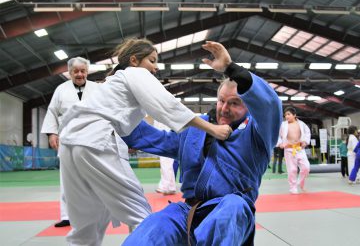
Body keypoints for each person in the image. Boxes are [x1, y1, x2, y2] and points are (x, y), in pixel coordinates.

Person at [57, 38, 232, 246]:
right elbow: (167, 105)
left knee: (87, 222)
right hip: (97, 140)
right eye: (151, 60)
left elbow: (142, 132)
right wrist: (212, 128)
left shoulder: (112, 85)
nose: (155, 67)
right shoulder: (135, 72)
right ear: (134, 60)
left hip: (69, 144)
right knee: (141, 215)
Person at [122, 41, 282, 245]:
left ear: (249, 106)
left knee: (231, 208)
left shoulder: (257, 135)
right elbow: (152, 139)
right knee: (153, 228)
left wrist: (230, 68)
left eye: (234, 103)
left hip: (230, 209)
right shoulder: (194, 130)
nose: (224, 108)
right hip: (187, 211)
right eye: (221, 101)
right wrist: (115, 113)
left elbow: (270, 105)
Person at [41, 57, 98, 228]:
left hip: (91, 139)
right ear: (70, 73)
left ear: (87, 71)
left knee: (91, 179)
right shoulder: (61, 90)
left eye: (83, 71)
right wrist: (52, 133)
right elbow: (52, 112)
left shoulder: (97, 89)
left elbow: (106, 111)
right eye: (76, 71)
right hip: (67, 139)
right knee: (67, 179)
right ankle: (67, 216)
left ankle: (91, 214)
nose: (80, 74)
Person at [278, 107, 311, 194]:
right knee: (292, 169)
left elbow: (307, 133)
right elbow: (277, 135)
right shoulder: (283, 125)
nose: (287, 116)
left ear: (294, 115)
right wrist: (280, 143)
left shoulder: (301, 124)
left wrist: (305, 141)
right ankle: (293, 187)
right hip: (288, 149)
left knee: (306, 167)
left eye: (288, 114)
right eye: (285, 115)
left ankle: (300, 182)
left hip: (299, 148)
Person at [153, 120, 177, 195]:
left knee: (165, 163)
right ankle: (171, 187)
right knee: (168, 164)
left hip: (166, 139)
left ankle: (164, 186)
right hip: (167, 138)